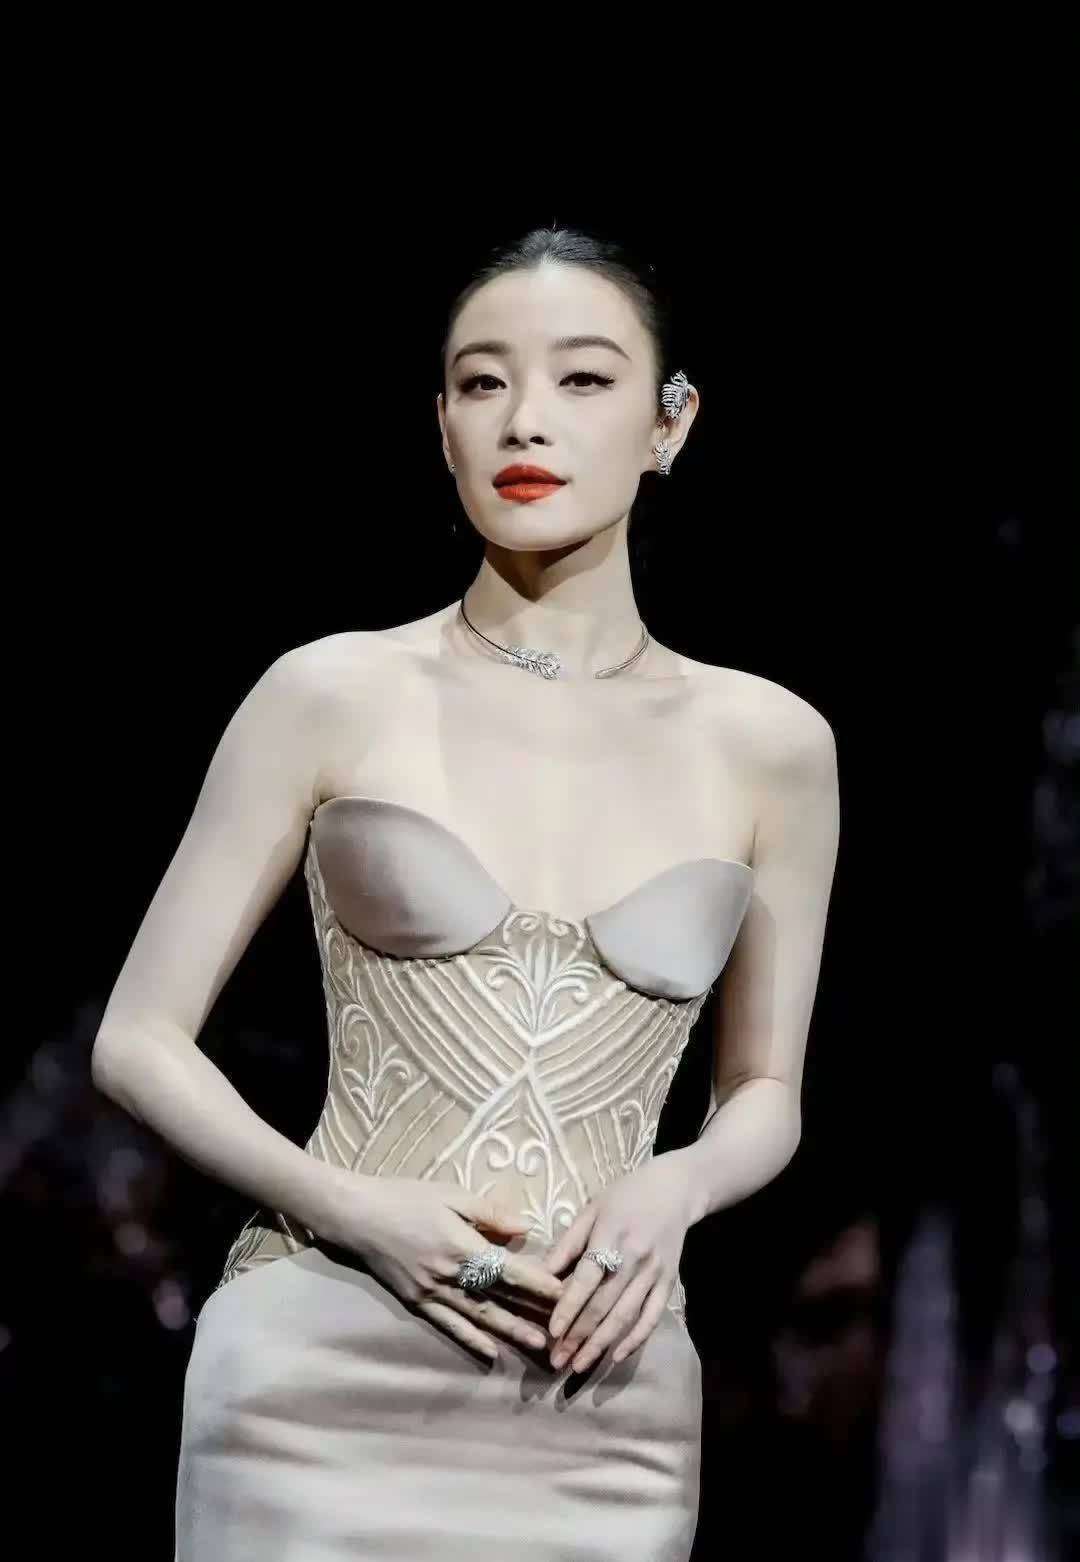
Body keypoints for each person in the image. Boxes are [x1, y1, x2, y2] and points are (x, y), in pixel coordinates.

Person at [92, 225, 840, 1560]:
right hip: (320, 1362)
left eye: (584, 379)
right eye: (483, 382)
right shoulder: (330, 692)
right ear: (442, 425)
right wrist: (356, 1208)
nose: (525, 419)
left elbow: (764, 1091)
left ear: (671, 424)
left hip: (598, 1391)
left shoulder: (771, 744)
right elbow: (138, 1041)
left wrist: (677, 1189)